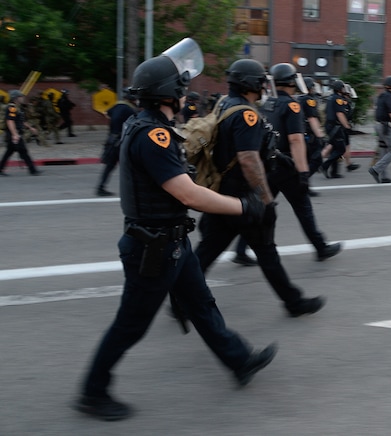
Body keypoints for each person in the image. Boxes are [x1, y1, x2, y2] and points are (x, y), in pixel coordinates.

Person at [73, 39, 276, 421]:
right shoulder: (154, 135)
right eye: (181, 89)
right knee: (131, 325)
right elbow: (187, 194)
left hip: (172, 243)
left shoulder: (148, 126)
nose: (186, 95)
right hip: (153, 248)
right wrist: (244, 206)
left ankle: (239, 360)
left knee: (201, 305)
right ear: (170, 94)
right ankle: (92, 392)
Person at [194, 58, 325, 317]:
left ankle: (180, 301)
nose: (264, 85)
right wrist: (266, 201)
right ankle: (293, 302)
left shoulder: (224, 105)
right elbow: (249, 159)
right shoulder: (247, 114)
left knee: (209, 252)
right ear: (250, 83)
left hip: (221, 194)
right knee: (265, 251)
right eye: (260, 81)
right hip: (242, 197)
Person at [260, 62, 342, 260]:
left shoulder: (268, 103)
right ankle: (320, 247)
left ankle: (240, 250)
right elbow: (296, 140)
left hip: (269, 165)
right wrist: (303, 172)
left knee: (261, 207)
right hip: (288, 167)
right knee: (303, 208)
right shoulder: (292, 105)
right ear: (290, 82)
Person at [95, 94, 139, 196]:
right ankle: (133, 189)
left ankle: (100, 187)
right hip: (122, 140)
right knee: (132, 165)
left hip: (111, 139)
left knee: (109, 165)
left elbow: (107, 114)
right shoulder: (130, 110)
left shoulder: (116, 106)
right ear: (132, 99)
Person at [368, 75, 391, 184]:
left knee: (383, 150)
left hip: (379, 125)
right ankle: (376, 169)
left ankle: (384, 176)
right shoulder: (390, 97)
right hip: (386, 126)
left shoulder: (382, 96)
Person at [0, 90, 42, 176]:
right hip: (14, 134)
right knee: (23, 151)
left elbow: (20, 121)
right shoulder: (12, 108)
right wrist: (14, 134)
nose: (22, 98)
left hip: (15, 133)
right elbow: (10, 121)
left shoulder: (17, 108)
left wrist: (30, 128)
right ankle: (33, 170)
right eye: (20, 97)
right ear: (16, 98)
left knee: (9, 152)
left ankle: (0, 169)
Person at [321, 80, 351, 179]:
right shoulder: (338, 99)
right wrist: (346, 126)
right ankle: (325, 166)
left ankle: (335, 172)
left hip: (329, 125)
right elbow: (340, 114)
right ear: (340, 89)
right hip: (336, 126)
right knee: (341, 148)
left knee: (335, 147)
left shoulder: (330, 98)